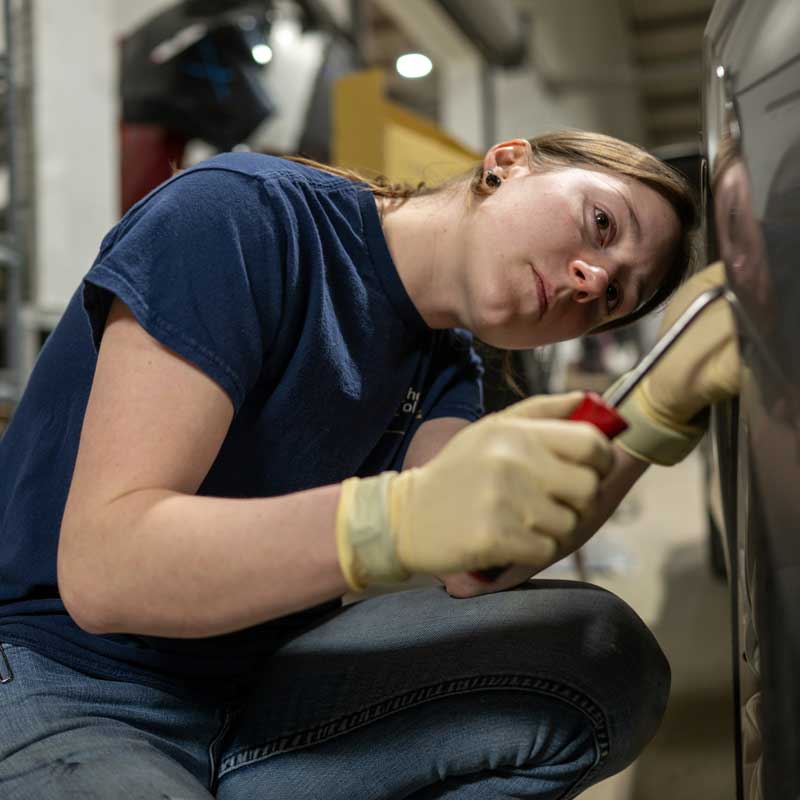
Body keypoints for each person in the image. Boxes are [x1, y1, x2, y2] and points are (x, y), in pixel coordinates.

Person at [0, 131, 738, 799]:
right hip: (64, 672)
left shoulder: (451, 361)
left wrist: (650, 417)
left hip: (252, 681)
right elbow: (107, 572)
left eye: (612, 297)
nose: (588, 279)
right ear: (509, 162)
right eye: (601, 225)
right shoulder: (241, 218)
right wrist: (397, 520)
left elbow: (479, 565)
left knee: (601, 660)